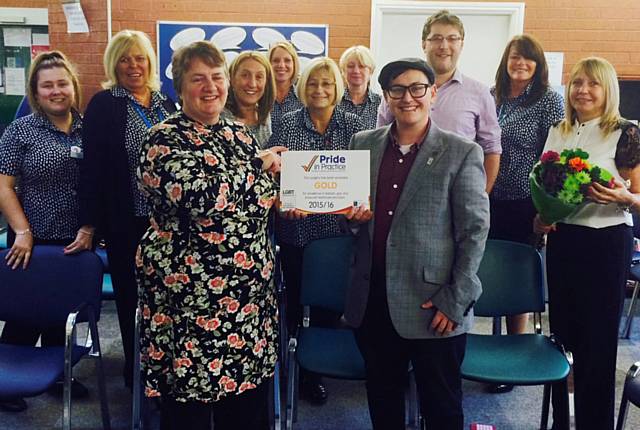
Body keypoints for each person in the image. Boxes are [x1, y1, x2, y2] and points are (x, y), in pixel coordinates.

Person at [136, 40, 284, 430]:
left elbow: (261, 198)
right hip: (189, 304)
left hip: (248, 302)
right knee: (190, 411)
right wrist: (256, 168)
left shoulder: (239, 135)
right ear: (180, 87)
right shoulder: (162, 140)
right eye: (197, 79)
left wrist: (296, 198)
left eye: (217, 77)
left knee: (248, 409)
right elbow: (201, 198)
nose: (210, 87)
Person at [345, 58, 489, 429]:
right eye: (397, 89)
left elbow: (474, 232)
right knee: (383, 400)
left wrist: (455, 300)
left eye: (416, 88)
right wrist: (352, 221)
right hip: (374, 300)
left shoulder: (462, 152)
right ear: (386, 96)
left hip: (434, 305)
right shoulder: (362, 144)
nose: (407, 97)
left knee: (441, 407)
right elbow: (356, 221)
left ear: (433, 93)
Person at [534, 57, 640, 430]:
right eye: (577, 83)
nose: (583, 90)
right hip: (565, 242)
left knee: (596, 344)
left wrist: (624, 198)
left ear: (607, 89)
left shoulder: (625, 132)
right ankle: (562, 423)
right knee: (563, 336)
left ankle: (595, 425)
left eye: (593, 84)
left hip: (607, 243)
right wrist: (542, 215)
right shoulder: (558, 130)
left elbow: (639, 195)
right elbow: (548, 184)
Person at [78, 29, 177, 389]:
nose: (133, 65)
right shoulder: (105, 105)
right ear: (113, 63)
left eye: (139, 57)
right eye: (124, 58)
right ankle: (136, 372)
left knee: (168, 300)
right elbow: (92, 168)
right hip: (126, 222)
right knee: (132, 300)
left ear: (150, 61)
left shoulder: (167, 103)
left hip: (168, 224)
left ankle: (167, 371)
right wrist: (89, 224)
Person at [0, 51, 91, 412]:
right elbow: (4, 186)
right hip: (31, 240)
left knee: (61, 314)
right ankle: (7, 383)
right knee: (26, 314)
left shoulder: (87, 127)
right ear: (36, 94)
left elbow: (98, 183)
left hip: (76, 237)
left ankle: (58, 376)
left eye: (62, 83)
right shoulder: (21, 131)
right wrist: (22, 231)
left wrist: (90, 227)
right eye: (48, 86)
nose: (56, 91)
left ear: (73, 87)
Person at [270, 57, 364, 404]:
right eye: (312, 83)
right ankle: (292, 366)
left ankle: (315, 373)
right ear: (302, 87)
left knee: (327, 305)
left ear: (337, 87)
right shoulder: (286, 124)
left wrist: (359, 203)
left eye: (326, 83)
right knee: (294, 300)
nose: (319, 90)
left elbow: (361, 179)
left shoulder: (355, 127)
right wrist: (283, 201)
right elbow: (276, 177)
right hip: (296, 231)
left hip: (338, 232)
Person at [488, 34, 564, 373]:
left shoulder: (548, 100)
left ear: (538, 64)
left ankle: (515, 351)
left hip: (526, 201)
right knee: (487, 269)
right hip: (488, 196)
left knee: (514, 275)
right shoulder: (494, 97)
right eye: (515, 57)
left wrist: (545, 208)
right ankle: (488, 344)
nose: (520, 64)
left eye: (527, 58)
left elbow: (556, 158)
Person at [376, 9, 501, 192]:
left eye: (452, 39)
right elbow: (381, 141)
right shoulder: (397, 90)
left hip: (456, 194)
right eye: (436, 38)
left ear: (461, 44)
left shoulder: (480, 94)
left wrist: (480, 197)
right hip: (402, 194)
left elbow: (491, 150)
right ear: (423, 44)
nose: (444, 46)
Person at [222, 51, 276, 147]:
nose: (252, 84)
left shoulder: (264, 114)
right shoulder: (219, 117)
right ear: (232, 79)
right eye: (245, 75)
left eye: (259, 77)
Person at [338, 45, 381, 130]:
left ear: (371, 71)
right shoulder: (334, 102)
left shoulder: (381, 104)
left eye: (361, 66)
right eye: (350, 66)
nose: (356, 71)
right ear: (343, 71)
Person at [268, 41, 303, 138]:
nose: (281, 65)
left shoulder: (303, 97)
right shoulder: (260, 96)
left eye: (287, 60)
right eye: (276, 60)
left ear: (294, 64)